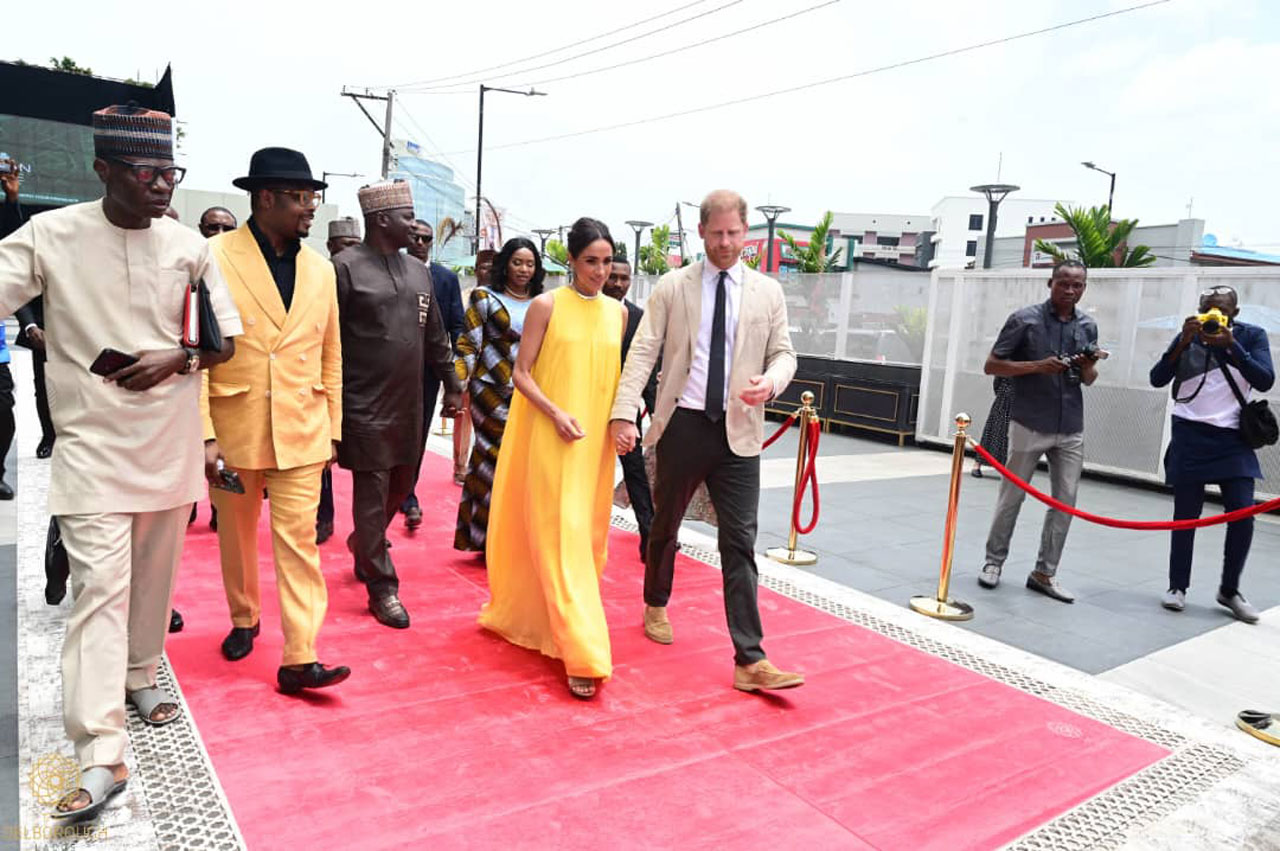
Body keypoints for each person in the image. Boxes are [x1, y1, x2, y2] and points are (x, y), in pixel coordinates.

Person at [0, 104, 242, 821]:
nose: (162, 184)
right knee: (99, 590)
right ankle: (100, 751)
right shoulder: (51, 234)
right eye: (146, 171)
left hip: (168, 447)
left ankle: (140, 673)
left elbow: (224, 340)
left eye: (171, 171)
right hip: (92, 447)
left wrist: (182, 355)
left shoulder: (190, 247)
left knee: (150, 585)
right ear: (102, 169)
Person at [610, 189, 803, 693]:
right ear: (700, 232)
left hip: (739, 431)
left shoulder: (766, 292)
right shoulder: (674, 287)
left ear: (746, 234)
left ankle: (750, 659)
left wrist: (773, 382)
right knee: (664, 524)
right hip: (683, 425)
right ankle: (655, 601)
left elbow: (785, 354)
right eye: (715, 233)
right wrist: (623, 414)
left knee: (739, 542)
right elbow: (643, 352)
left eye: (733, 233)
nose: (724, 242)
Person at [201, 147, 350, 692]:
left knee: (299, 541)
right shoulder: (213, 256)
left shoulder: (322, 269)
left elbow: (332, 351)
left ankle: (299, 656)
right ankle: (244, 617)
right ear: (266, 198)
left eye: (313, 197)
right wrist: (205, 433)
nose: (310, 208)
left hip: (304, 425)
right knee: (236, 536)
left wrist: (332, 428)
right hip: (236, 421)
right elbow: (196, 350)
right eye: (300, 198)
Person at [480, 218, 626, 699]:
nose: (600, 271)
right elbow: (521, 374)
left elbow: (613, 379)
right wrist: (557, 414)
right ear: (570, 260)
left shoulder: (617, 313)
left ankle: (539, 620)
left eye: (606, 262)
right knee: (560, 534)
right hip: (550, 434)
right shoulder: (546, 305)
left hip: (594, 446)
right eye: (591, 261)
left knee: (584, 538)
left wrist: (622, 424)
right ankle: (583, 650)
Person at [336, 180, 461, 629]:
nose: (414, 225)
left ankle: (364, 543)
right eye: (407, 217)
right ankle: (382, 586)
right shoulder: (344, 268)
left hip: (410, 402)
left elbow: (435, 336)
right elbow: (328, 340)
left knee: (402, 483)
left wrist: (453, 384)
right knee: (371, 494)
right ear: (381, 220)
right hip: (362, 403)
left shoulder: (419, 272)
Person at [977, 260, 1102, 604]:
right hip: (1029, 420)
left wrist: (1090, 363)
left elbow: (1089, 380)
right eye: (1064, 283)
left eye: (1077, 285)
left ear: (1084, 288)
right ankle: (994, 562)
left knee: (1065, 503)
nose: (1070, 290)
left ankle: (1044, 573)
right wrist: (1037, 366)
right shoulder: (1024, 319)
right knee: (1011, 497)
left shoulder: (1088, 325)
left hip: (1070, 426)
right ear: (1051, 283)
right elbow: (991, 365)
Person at [1149, 285, 1274, 622]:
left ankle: (1229, 590)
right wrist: (1181, 344)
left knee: (1242, 514)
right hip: (1191, 434)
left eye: (1219, 309)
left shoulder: (1251, 336)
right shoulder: (1189, 334)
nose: (1212, 315)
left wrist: (1233, 346)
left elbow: (1264, 381)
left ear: (1234, 312)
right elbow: (1157, 378)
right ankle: (1177, 587)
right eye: (1206, 308)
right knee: (1186, 516)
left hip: (1234, 439)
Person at [454, 237, 541, 553]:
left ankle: (511, 538)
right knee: (492, 458)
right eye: (517, 262)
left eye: (530, 263)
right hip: (490, 389)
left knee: (521, 464)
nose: (523, 269)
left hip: (529, 393)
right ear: (506, 264)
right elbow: (468, 344)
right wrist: (456, 384)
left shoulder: (542, 303)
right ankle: (486, 537)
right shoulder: (484, 298)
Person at [401, 219, 465, 529]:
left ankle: (408, 493)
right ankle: (395, 493)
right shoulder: (390, 269)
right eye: (415, 237)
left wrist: (456, 376)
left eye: (426, 239)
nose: (420, 243)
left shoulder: (445, 278)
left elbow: (456, 327)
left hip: (428, 372)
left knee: (418, 433)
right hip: (389, 370)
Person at [3, 157, 55, 462]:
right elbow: (18, 282)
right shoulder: (33, 247)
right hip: (42, 329)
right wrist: (31, 327)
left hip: (82, 328)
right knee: (43, 386)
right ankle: (49, 436)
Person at [603, 256, 656, 558]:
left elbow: (646, 368)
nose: (619, 284)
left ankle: (649, 536)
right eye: (614, 277)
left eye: (625, 278)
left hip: (624, 410)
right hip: (585, 404)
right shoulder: (588, 310)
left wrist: (656, 410)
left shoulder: (638, 317)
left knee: (635, 471)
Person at [315, 216, 362, 545]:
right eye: (345, 248)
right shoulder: (319, 276)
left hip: (358, 380)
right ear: (331, 247)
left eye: (355, 247)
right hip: (321, 375)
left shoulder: (366, 279)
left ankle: (369, 530)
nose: (351, 255)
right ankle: (323, 516)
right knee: (322, 453)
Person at [972, 376, 1014, 478]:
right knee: (993, 429)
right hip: (1004, 398)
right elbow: (997, 381)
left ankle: (1007, 467)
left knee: (1012, 434)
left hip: (1018, 400)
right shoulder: (1006, 361)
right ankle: (977, 464)